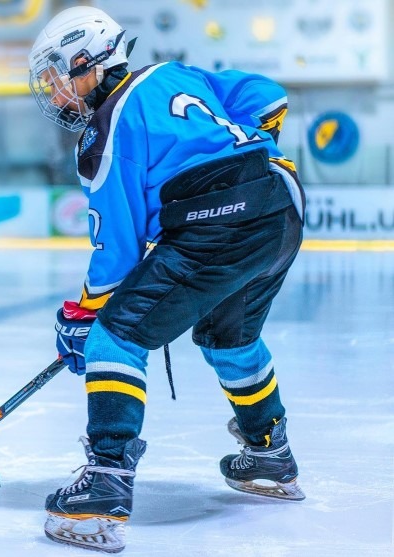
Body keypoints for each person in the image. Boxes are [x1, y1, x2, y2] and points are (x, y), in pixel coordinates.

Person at [28, 7, 306, 553]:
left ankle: (105, 481)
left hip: (219, 220)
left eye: (59, 75)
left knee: (117, 334)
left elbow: (117, 256)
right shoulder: (175, 75)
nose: (56, 92)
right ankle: (271, 455)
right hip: (281, 205)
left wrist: (83, 316)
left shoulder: (104, 134)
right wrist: (240, 155)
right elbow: (269, 97)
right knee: (232, 337)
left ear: (89, 63)